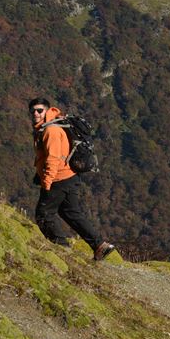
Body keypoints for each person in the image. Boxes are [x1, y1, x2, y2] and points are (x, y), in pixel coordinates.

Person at [29, 97, 115, 260]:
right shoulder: (50, 126)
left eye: (39, 110)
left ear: (47, 110)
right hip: (70, 177)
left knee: (43, 214)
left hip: (58, 179)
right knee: (70, 212)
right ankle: (99, 245)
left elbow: (53, 158)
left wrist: (46, 182)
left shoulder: (50, 131)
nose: (36, 113)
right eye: (33, 111)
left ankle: (62, 249)